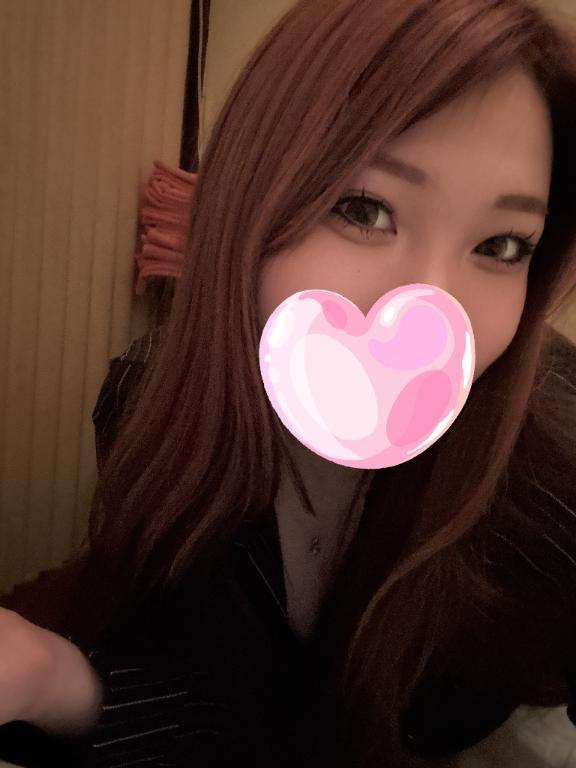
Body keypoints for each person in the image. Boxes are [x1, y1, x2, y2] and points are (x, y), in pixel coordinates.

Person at [1, 0, 576, 766]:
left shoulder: (552, 488)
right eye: (363, 209)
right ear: (251, 203)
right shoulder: (149, 404)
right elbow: (206, 691)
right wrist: (50, 677)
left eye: (501, 245)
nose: (433, 314)